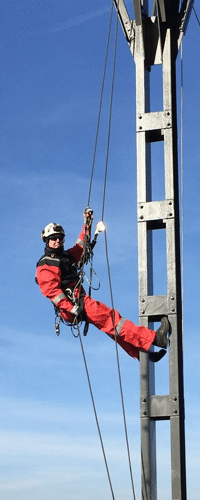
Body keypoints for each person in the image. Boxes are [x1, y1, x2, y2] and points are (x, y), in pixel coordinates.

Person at [36, 208, 169, 360]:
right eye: (54, 238)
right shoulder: (46, 263)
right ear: (47, 240)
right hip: (73, 304)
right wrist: (71, 307)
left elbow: (81, 247)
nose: (58, 241)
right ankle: (154, 339)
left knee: (109, 325)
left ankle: (141, 353)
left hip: (76, 303)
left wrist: (87, 224)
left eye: (60, 238)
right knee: (111, 319)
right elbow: (51, 291)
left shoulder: (65, 256)